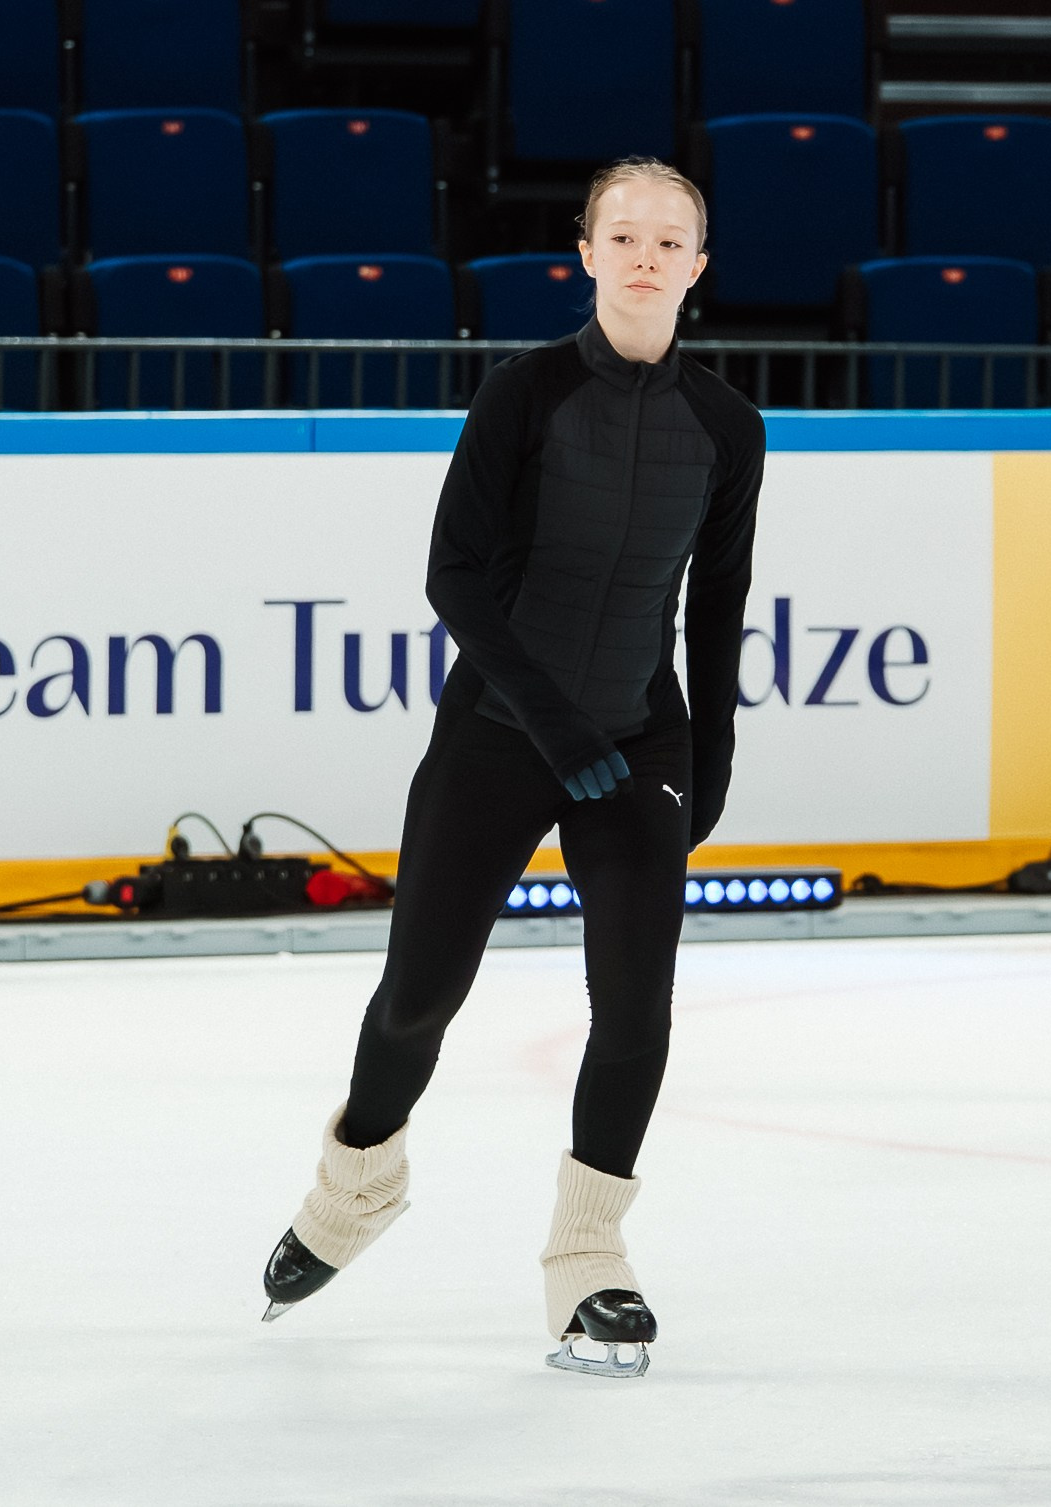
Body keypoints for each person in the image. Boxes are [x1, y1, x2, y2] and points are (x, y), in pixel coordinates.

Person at [256, 159, 765, 1376]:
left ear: (699, 265)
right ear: (585, 253)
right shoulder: (521, 395)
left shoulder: (729, 426)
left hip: (642, 738)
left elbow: (720, 606)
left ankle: (589, 1262)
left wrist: (709, 756)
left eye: (670, 239)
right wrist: (557, 728)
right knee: (420, 997)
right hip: (499, 730)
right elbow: (454, 580)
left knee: (636, 1005)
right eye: (622, 234)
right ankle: (354, 1185)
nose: (645, 256)